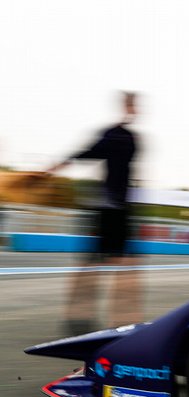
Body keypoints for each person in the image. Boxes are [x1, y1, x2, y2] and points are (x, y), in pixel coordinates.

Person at [43, 91, 141, 335]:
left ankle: (96, 320)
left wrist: (58, 165)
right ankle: (87, 319)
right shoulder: (120, 135)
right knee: (104, 265)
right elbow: (88, 152)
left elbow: (89, 153)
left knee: (110, 265)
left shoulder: (125, 136)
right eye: (132, 105)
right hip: (111, 208)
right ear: (127, 106)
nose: (134, 109)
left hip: (117, 207)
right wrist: (58, 165)